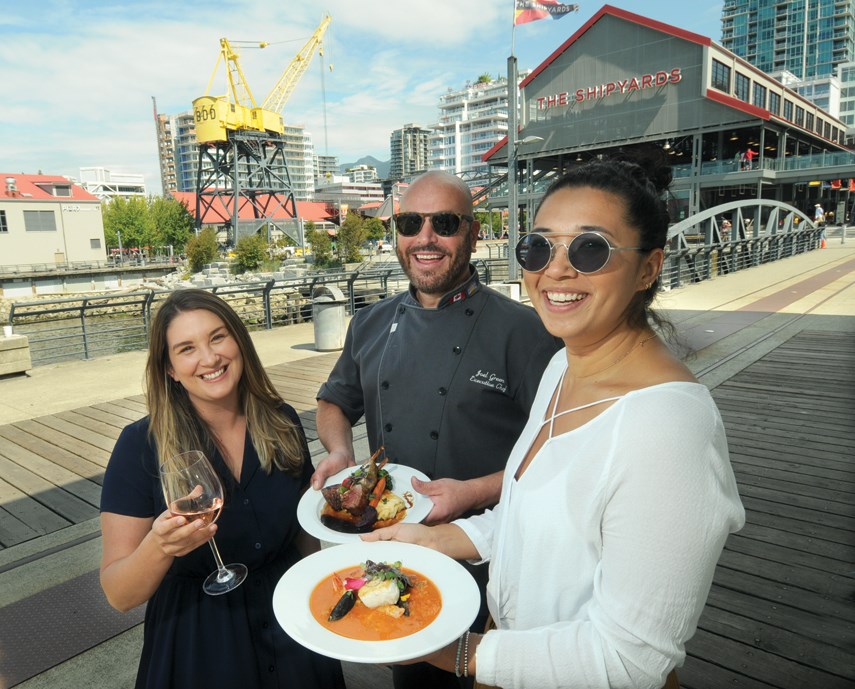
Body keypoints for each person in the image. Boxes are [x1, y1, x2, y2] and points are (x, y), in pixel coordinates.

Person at [365, 152, 746, 689]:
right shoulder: (565, 364)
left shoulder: (668, 429)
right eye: (539, 246)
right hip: (510, 657)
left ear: (649, 268)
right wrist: (434, 541)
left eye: (592, 248)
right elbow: (532, 518)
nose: (556, 269)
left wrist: (450, 651)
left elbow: (629, 662)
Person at [313, 169, 562, 689]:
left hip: (493, 554)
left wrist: (473, 490)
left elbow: (559, 452)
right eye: (410, 222)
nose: (425, 238)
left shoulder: (525, 332)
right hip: (401, 551)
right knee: (415, 677)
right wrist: (338, 453)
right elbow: (334, 401)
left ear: (472, 233)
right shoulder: (370, 323)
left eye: (444, 223)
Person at [99, 289, 344, 689]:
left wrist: (323, 594)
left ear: (239, 342)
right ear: (171, 369)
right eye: (187, 348)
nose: (209, 359)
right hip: (201, 642)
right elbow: (118, 594)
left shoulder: (281, 421)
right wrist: (160, 547)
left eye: (217, 337)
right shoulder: (140, 446)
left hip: (293, 628)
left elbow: (301, 534)